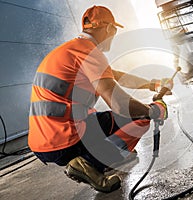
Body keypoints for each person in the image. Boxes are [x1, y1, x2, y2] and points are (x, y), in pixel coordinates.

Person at [28, 5, 172, 193]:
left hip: (43, 142)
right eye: (114, 30)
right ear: (109, 28)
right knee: (140, 117)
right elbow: (120, 105)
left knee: (107, 121)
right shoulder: (90, 52)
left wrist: (152, 85)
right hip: (64, 140)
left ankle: (103, 156)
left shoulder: (74, 49)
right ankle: (89, 164)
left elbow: (115, 75)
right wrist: (154, 110)